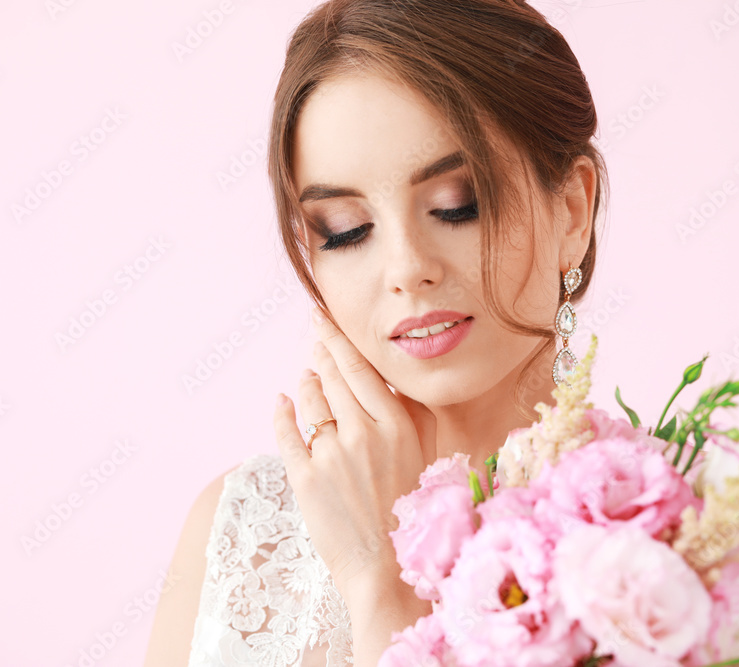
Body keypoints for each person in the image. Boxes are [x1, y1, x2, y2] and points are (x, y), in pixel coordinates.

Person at [144, 0, 606, 664]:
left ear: (571, 210)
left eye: (457, 205)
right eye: (345, 230)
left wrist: (382, 588)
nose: (407, 268)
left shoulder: (685, 543)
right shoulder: (239, 533)